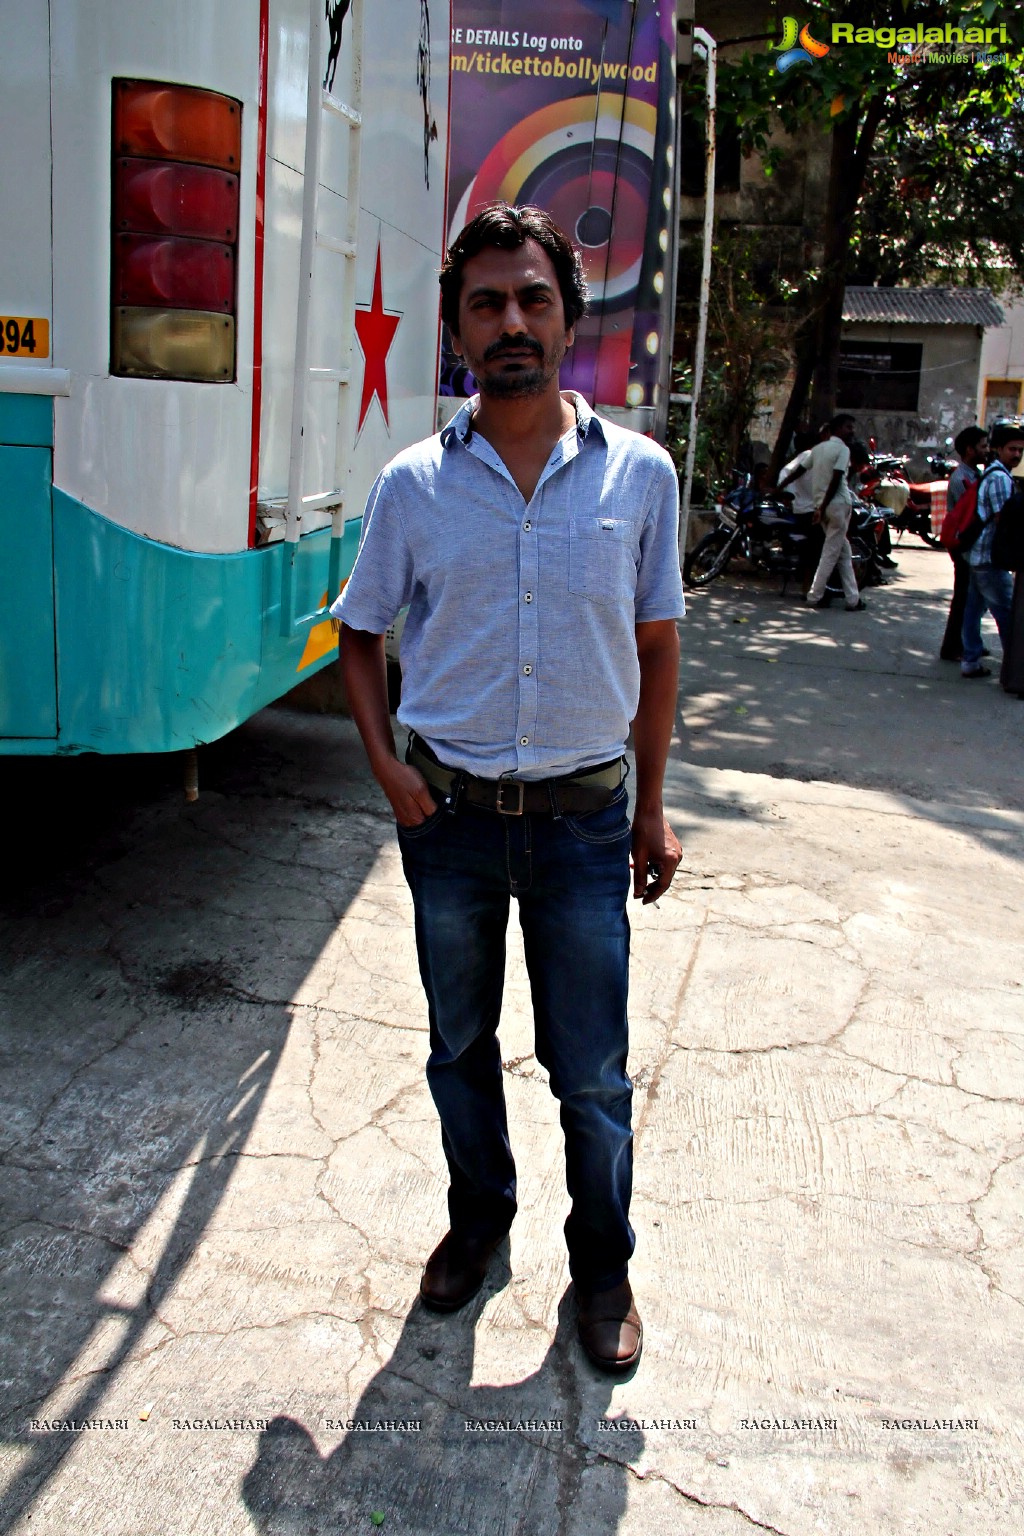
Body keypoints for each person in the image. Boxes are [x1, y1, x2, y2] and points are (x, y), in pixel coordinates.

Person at [334, 203, 685, 1374]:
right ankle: (479, 1223)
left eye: (533, 297)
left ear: (567, 317)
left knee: (589, 1069)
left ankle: (603, 1266)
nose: (511, 322)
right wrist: (387, 767)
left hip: (587, 824)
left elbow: (658, 645)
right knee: (457, 1044)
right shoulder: (413, 486)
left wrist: (651, 803)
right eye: (486, 302)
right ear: (456, 328)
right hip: (451, 824)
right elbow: (361, 633)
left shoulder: (639, 475)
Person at [960, 421, 1024, 678]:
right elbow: (1002, 520)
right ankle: (1015, 666)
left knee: (974, 609)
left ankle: (971, 660)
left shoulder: (997, 473)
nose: (1017, 455)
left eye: (1020, 450)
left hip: (980, 555)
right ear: (998, 449)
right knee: (1008, 613)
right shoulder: (999, 478)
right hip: (989, 557)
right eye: (1012, 449)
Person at [803, 413, 865, 611]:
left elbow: (799, 469)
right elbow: (837, 478)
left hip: (824, 505)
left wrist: (779, 488)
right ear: (837, 429)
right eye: (848, 427)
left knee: (843, 552)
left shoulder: (818, 449)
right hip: (838, 505)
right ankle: (815, 596)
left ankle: (853, 599)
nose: (851, 431)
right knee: (830, 553)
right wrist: (822, 508)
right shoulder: (843, 450)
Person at [939, 426, 988, 662]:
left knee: (973, 598)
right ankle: (952, 647)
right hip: (963, 545)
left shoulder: (974, 474)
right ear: (970, 450)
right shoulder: (962, 478)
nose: (986, 451)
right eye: (982, 446)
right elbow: (967, 516)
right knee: (962, 597)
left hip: (969, 544)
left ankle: (969, 641)